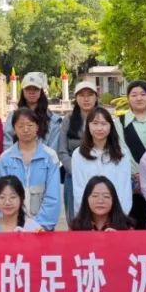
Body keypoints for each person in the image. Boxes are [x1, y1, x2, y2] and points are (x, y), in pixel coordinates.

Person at [70, 175, 134, 292]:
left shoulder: (126, 227)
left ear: (114, 200)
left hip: (117, 286)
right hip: (88, 283)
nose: (100, 200)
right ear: (86, 199)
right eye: (95, 195)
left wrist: (119, 244)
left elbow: (134, 262)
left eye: (106, 196)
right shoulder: (76, 227)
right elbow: (69, 259)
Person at [0, 107, 62, 230]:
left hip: (42, 227)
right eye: (20, 126)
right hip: (13, 227)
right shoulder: (5, 159)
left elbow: (53, 196)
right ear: (14, 129)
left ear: (37, 127)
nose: (26, 129)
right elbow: (2, 195)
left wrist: (38, 225)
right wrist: (14, 224)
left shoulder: (50, 157)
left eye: (30, 125)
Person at [70, 106, 132, 216]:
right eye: (95, 123)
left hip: (117, 215)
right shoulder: (78, 154)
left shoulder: (122, 154)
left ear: (110, 126)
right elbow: (79, 189)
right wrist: (85, 216)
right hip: (87, 216)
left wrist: (121, 215)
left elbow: (125, 188)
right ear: (88, 125)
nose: (99, 128)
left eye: (104, 124)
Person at [115, 80, 146, 229]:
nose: (139, 98)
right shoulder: (119, 123)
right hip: (132, 186)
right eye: (134, 95)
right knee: (134, 227)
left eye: (143, 94)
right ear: (128, 98)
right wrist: (135, 177)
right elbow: (120, 151)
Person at [60, 80, 99, 221]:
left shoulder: (103, 118)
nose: (86, 99)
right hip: (73, 174)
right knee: (75, 217)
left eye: (90, 95)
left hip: (98, 173)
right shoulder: (68, 119)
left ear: (96, 97)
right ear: (76, 98)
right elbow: (62, 150)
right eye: (82, 95)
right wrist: (74, 170)